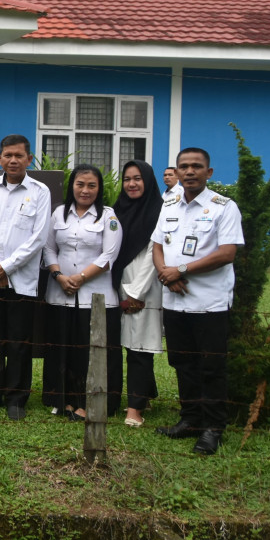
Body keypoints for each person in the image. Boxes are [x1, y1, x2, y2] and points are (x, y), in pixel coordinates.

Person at [152, 147, 244, 455]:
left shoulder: (224, 207)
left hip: (209, 304)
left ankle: (212, 428)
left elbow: (227, 253)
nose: (189, 172)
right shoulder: (170, 204)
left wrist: (179, 270)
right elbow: (157, 245)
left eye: (196, 166)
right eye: (184, 167)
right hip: (175, 301)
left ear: (209, 172)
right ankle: (189, 419)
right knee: (182, 363)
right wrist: (168, 274)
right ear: (176, 172)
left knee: (211, 367)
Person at [0, 134, 51, 420]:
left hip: (22, 281)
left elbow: (38, 238)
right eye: (8, 155)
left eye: (19, 155)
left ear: (29, 159)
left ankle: (17, 399)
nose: (13, 160)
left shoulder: (40, 192)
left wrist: (8, 268)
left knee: (19, 341)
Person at [42, 164, 122, 421]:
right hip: (60, 293)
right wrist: (59, 276)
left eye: (91, 185)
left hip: (96, 297)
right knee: (63, 348)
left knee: (90, 352)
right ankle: (63, 399)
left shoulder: (108, 217)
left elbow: (109, 256)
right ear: (72, 186)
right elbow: (49, 248)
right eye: (80, 184)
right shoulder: (58, 214)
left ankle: (88, 403)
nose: (85, 190)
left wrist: (79, 277)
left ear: (99, 189)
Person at [111, 160, 165, 427]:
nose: (131, 184)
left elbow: (154, 256)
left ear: (148, 181)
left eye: (137, 178)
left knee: (138, 347)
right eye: (127, 179)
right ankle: (146, 394)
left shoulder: (159, 212)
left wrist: (136, 292)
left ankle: (135, 408)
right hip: (118, 284)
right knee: (122, 344)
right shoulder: (119, 210)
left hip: (144, 288)